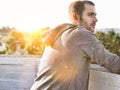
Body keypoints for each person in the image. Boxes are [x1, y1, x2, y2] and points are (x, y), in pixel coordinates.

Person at [30, 0, 120, 90]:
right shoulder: (80, 34)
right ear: (75, 16)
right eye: (90, 15)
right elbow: (113, 63)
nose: (96, 19)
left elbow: (74, 57)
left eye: (95, 15)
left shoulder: (59, 35)